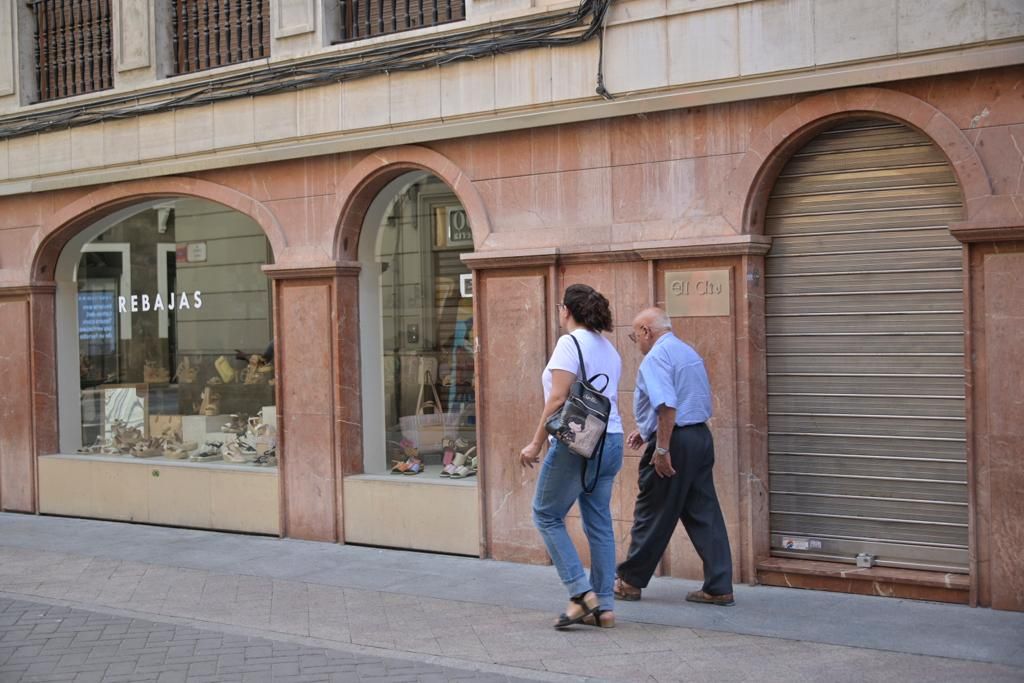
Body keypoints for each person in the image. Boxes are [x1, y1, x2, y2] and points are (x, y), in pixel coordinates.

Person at [519, 284, 624, 629]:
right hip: (612, 440)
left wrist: (535, 443)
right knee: (599, 522)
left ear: (567, 310)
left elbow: (557, 400)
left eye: (560, 307)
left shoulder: (570, 343)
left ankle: (581, 593)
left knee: (545, 514)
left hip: (578, 442)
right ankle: (605, 607)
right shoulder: (609, 348)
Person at [614, 307, 734, 606]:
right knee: (703, 512)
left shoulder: (655, 358)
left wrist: (662, 448)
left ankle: (629, 581)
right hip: (699, 438)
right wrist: (646, 431)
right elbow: (681, 400)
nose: (636, 342)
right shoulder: (686, 351)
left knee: (652, 510)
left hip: (676, 443)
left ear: (646, 331)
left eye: (634, 335)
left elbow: (667, 405)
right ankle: (719, 586)